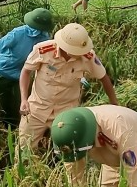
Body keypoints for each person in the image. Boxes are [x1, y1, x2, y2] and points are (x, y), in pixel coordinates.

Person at [18, 22, 117, 153]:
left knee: (72, 153)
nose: (80, 53)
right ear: (66, 47)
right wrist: (24, 99)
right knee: (24, 151)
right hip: (37, 109)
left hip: (66, 113)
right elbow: (26, 72)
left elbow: (104, 78)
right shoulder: (43, 50)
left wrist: (114, 103)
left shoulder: (88, 57)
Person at [0, 7, 53, 122]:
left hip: (23, 75)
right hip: (4, 72)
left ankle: (20, 126)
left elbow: (49, 60)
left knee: (21, 103)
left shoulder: (45, 38)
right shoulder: (17, 34)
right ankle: (6, 127)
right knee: (3, 102)